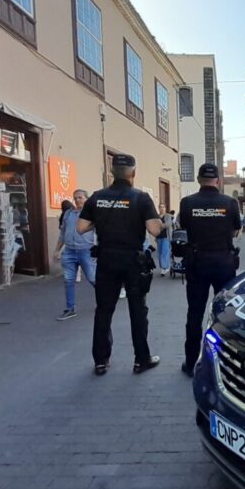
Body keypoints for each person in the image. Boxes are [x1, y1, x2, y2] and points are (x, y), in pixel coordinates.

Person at [77, 154, 162, 376]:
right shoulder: (141, 198)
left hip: (106, 260)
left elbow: (81, 227)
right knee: (137, 311)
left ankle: (101, 361)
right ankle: (141, 360)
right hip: (133, 261)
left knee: (104, 311)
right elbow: (154, 230)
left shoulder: (97, 197)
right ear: (133, 173)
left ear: (112, 172)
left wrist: (103, 219)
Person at [178, 163, 241, 376]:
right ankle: (224, 364)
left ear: (198, 179)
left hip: (197, 263)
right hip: (223, 262)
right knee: (224, 315)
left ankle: (190, 362)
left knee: (194, 314)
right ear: (218, 180)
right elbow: (235, 231)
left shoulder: (187, 203)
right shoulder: (230, 203)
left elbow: (185, 227)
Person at [54, 189, 96, 320]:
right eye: (75, 198)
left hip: (86, 250)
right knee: (68, 280)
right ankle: (70, 309)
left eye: (80, 197)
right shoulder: (68, 214)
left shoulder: (91, 213)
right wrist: (57, 250)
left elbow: (100, 230)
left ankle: (105, 300)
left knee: (93, 278)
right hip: (69, 251)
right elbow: (63, 234)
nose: (77, 200)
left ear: (86, 199)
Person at [157, 210, 175, 275]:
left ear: (165, 208)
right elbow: (154, 224)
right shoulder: (156, 216)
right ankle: (162, 267)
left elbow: (168, 224)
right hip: (158, 237)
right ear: (159, 208)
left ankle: (165, 267)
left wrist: (160, 226)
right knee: (159, 253)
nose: (161, 208)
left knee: (165, 251)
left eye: (163, 207)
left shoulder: (168, 216)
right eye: (160, 207)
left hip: (166, 237)